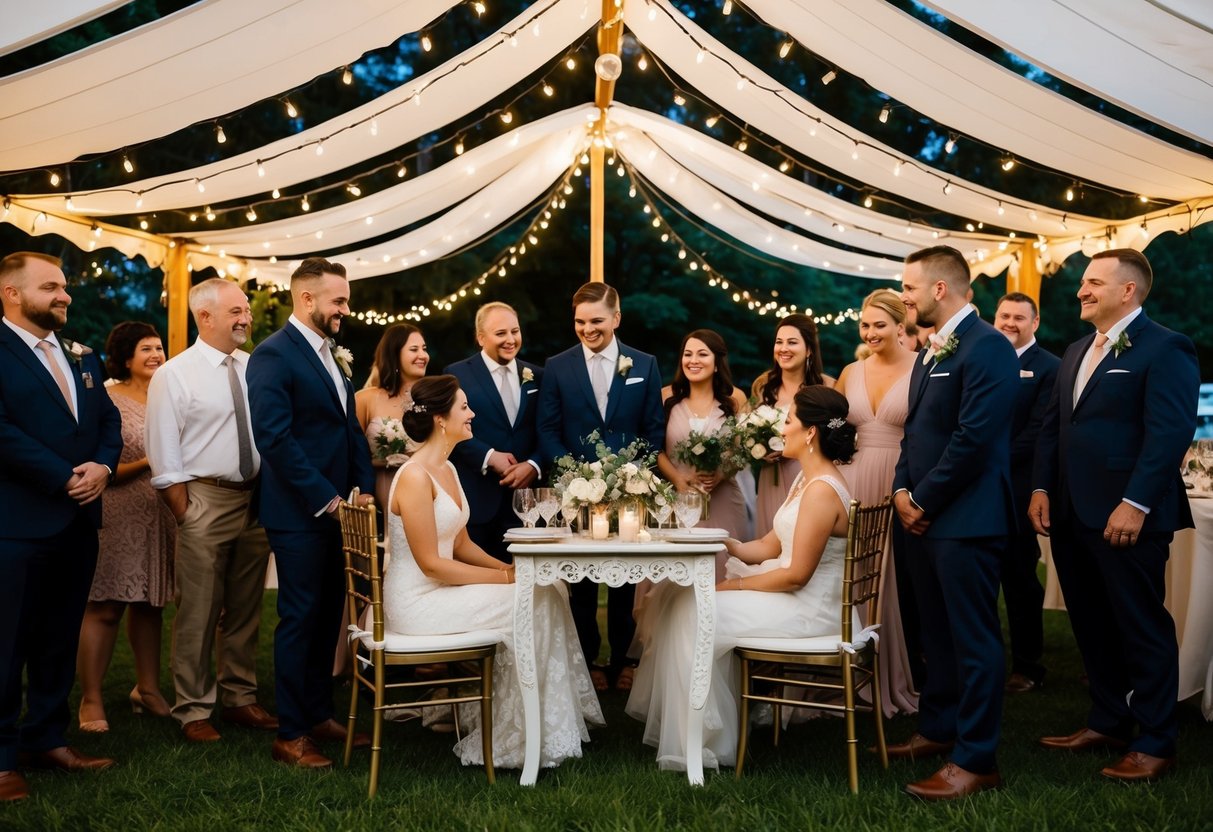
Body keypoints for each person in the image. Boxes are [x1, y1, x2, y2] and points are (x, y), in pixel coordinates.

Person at [1030, 249, 1198, 782]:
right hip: (1071, 512)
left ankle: (1155, 740)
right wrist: (1040, 486)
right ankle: (1107, 719)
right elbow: (1054, 427)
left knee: (1140, 624)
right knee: (1090, 621)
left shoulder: (1167, 347)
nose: (1081, 290)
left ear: (1128, 291)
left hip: (1129, 514)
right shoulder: (1077, 349)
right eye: (1083, 282)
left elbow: (1169, 432)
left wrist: (1136, 502)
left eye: (1093, 283)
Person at [627, 386, 858, 771]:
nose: (781, 429)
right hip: (795, 597)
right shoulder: (807, 480)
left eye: (788, 421)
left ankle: (705, 740)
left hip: (811, 610)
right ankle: (702, 726)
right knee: (680, 599)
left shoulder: (820, 491)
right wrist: (724, 542)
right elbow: (769, 545)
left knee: (693, 609)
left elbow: (796, 575)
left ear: (811, 433)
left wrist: (731, 585)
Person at [383, 375, 603, 768]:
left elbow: (463, 544)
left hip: (441, 590)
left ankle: (546, 721)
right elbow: (432, 564)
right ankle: (515, 733)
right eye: (464, 407)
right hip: (417, 602)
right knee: (532, 599)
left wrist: (510, 567)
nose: (472, 414)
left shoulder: (447, 470)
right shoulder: (415, 476)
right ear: (439, 419)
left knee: (547, 588)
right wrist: (505, 580)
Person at [888, 245, 1018, 801]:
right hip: (923, 515)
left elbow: (975, 439)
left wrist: (924, 500)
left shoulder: (988, 347)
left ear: (940, 289)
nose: (904, 297)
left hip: (965, 519)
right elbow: (915, 433)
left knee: (974, 640)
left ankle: (976, 758)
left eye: (909, 288)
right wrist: (899, 489)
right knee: (934, 634)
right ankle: (939, 729)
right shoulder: (928, 351)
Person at [0, 252, 122, 802]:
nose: (64, 296)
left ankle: (46, 737)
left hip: (78, 521)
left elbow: (109, 421)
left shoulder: (82, 354)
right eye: (50, 287)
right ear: (11, 293)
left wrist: (102, 465)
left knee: (58, 635)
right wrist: (62, 476)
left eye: (64, 287)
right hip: (16, 522)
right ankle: (1, 759)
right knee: (6, 641)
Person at [247, 257, 375, 769]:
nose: (346, 308)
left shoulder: (330, 354)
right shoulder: (273, 355)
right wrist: (327, 499)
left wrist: (362, 486)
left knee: (328, 618)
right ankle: (291, 734)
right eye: (338, 300)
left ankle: (319, 712)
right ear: (306, 299)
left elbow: (347, 429)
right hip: (301, 512)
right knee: (300, 618)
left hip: (341, 506)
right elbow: (274, 438)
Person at [146, 278, 276, 743]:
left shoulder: (255, 367)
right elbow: (163, 454)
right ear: (205, 316)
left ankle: (240, 697)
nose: (246, 319)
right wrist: (187, 512)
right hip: (205, 498)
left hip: (257, 499)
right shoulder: (174, 374)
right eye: (235, 312)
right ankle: (193, 708)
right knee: (198, 610)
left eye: (245, 310)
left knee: (246, 608)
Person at [537, 281, 664, 693]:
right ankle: (590, 661)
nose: (587, 329)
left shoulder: (644, 364)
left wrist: (630, 476)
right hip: (577, 491)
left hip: (631, 492)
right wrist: (575, 474)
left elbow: (653, 432)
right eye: (579, 321)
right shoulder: (557, 365)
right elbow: (548, 429)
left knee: (627, 582)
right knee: (583, 585)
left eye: (596, 321)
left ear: (616, 318)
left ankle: (626, 660)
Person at [76, 322, 176, 733]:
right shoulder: (108, 400)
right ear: (125, 356)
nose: (156, 354)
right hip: (119, 514)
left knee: (151, 605)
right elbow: (101, 466)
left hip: (162, 513)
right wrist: (153, 461)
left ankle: (148, 689)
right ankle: (91, 698)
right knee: (105, 607)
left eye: (159, 348)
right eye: (146, 348)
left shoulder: (170, 397)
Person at [833, 289, 920, 717]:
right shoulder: (850, 372)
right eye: (865, 325)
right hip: (853, 480)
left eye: (879, 325)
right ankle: (848, 670)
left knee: (892, 578)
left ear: (901, 326)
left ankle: (894, 675)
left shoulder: (922, 367)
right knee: (854, 573)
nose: (870, 333)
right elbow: (835, 429)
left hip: (899, 478)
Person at [993, 292, 1060, 694]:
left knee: (1020, 578)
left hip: (1018, 488)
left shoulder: (1049, 367)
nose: (1010, 323)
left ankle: (1029, 665)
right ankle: (985, 661)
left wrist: (981, 455)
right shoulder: (984, 358)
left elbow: (1040, 431)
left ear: (1035, 323)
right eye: (1004, 315)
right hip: (978, 488)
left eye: (1019, 317)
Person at [445, 302, 543, 561]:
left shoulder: (538, 376)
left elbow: (548, 429)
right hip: (478, 499)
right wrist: (489, 456)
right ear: (481, 337)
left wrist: (533, 464)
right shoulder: (456, 374)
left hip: (527, 503)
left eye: (515, 331)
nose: (510, 340)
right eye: (501, 333)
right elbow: (449, 432)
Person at [656, 329, 750, 549]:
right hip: (676, 502)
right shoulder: (664, 397)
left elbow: (741, 451)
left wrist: (720, 474)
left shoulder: (735, 400)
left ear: (717, 363)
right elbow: (654, 449)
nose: (693, 360)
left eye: (702, 354)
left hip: (724, 500)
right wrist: (678, 480)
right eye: (688, 354)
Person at [749, 313, 835, 538]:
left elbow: (835, 436)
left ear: (808, 350)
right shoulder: (762, 385)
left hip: (810, 477)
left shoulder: (828, 387)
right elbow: (746, 433)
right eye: (779, 342)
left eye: (792, 342)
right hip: (772, 478)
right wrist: (758, 452)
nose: (783, 348)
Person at [355, 323, 428, 509]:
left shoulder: (433, 401)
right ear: (394, 355)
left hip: (426, 493)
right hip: (378, 496)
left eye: (424, 349)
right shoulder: (365, 399)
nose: (423, 355)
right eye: (414, 349)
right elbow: (353, 454)